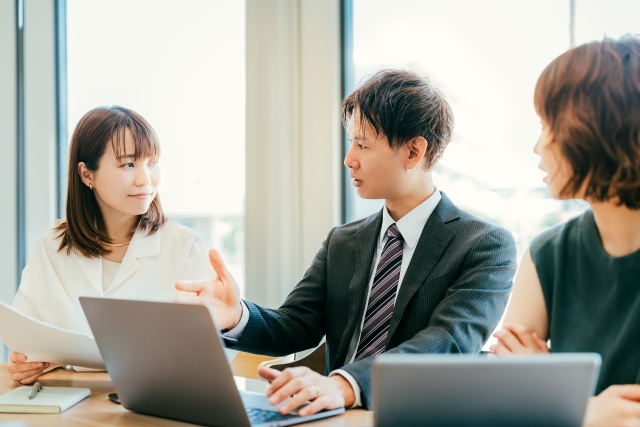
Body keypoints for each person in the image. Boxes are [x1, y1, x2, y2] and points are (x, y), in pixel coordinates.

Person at [176, 69, 518, 415]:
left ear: (414, 152)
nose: (349, 159)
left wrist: (345, 384)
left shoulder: (484, 245)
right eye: (351, 142)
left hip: (419, 415)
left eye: (363, 145)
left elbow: (449, 342)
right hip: (334, 415)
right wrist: (236, 315)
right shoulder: (343, 241)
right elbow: (297, 326)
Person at [490, 34, 640, 427]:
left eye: (547, 124)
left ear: (592, 128)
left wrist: (557, 397)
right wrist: (580, 410)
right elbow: (505, 396)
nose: (539, 146)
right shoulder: (550, 253)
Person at [7, 106, 213, 385]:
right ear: (86, 174)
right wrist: (28, 363)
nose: (145, 179)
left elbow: (203, 353)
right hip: (75, 407)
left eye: (152, 162)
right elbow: (27, 338)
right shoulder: (52, 247)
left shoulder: (185, 246)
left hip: (158, 403)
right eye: (128, 164)